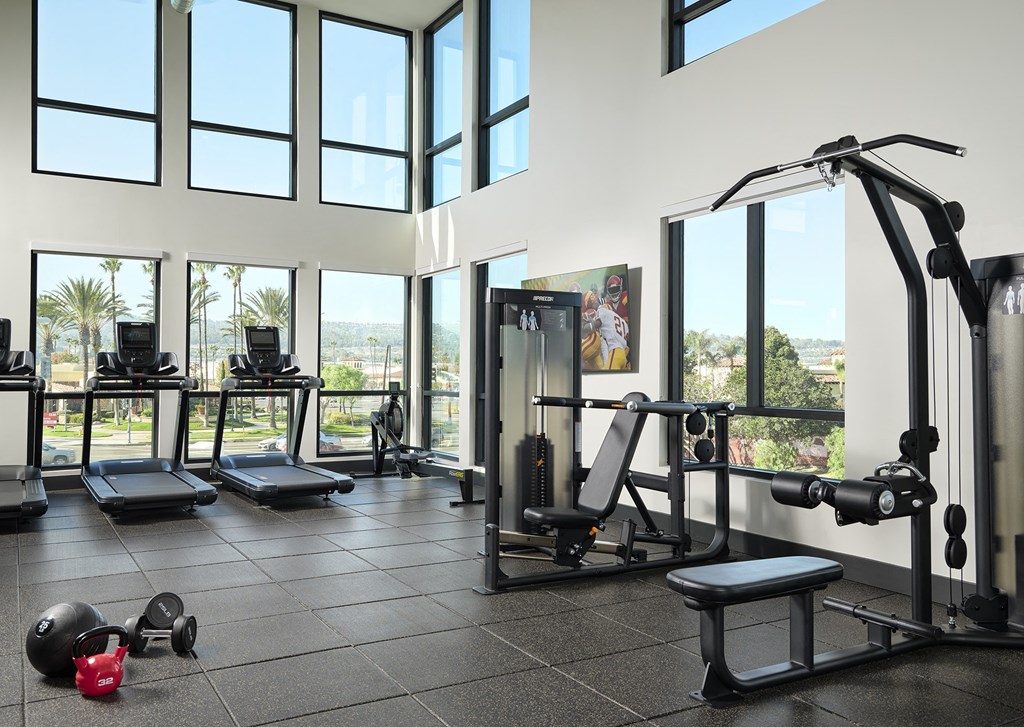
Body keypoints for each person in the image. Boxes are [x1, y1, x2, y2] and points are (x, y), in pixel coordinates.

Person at [583, 290, 630, 370]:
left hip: (615, 351)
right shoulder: (618, 318)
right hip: (624, 354)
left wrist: (584, 328)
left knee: (606, 378)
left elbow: (596, 324)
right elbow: (628, 337)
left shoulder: (601, 311)